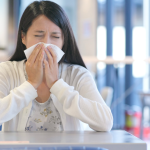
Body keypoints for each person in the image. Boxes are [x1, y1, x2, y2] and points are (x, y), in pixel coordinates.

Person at [0, 1, 113, 132]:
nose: (46, 43)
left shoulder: (77, 74)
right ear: (23, 37)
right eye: (38, 35)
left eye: (55, 36)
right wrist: (30, 84)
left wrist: (57, 84)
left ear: (64, 41)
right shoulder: (7, 71)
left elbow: (105, 123)